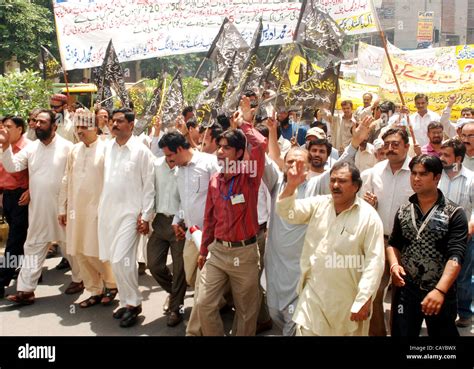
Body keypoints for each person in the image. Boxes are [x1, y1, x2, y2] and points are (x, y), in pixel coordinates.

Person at [262, 115, 372, 335]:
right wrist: (266, 129)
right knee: (275, 314)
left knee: (295, 325)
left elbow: (340, 167)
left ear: (307, 168)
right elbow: (264, 157)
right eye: (290, 162)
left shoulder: (316, 186)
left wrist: (355, 142)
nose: (294, 166)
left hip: (300, 273)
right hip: (274, 270)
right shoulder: (276, 183)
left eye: (300, 162)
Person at [276, 160, 385, 336]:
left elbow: (375, 262)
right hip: (313, 298)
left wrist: (364, 299)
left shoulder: (369, 218)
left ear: (356, 186)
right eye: (332, 180)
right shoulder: (319, 204)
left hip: (347, 304)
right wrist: (291, 186)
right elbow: (288, 212)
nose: (335, 185)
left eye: (341, 181)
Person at [196, 97, 267, 336]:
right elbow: (210, 219)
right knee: (204, 303)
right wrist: (204, 250)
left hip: (244, 254)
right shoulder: (216, 179)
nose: (220, 152)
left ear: (238, 153)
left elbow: (259, 146)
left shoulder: (249, 176)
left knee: (246, 312)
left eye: (227, 148)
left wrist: (246, 124)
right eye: (219, 147)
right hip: (217, 252)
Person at [0, 110, 78, 304]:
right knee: (33, 245)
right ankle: (26, 291)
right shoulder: (32, 148)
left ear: (54, 126)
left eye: (42, 122)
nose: (36, 125)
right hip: (39, 209)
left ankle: (79, 279)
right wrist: (5, 145)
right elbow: (13, 167)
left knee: (70, 247)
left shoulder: (68, 148)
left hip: (63, 209)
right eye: (35, 122)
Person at [387, 155, 468, 336]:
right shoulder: (403, 211)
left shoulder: (454, 213)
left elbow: (456, 255)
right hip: (406, 290)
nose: (416, 178)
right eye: (413, 173)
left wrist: (440, 290)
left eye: (423, 174)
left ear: (437, 177)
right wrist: (394, 265)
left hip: (440, 291)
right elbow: (393, 243)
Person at [158, 130, 220, 336]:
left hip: (211, 236)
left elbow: (221, 198)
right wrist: (178, 220)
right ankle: (219, 299)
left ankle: (194, 331)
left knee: (202, 290)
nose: (168, 160)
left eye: (169, 155)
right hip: (191, 235)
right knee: (190, 276)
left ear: (180, 149)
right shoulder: (179, 171)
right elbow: (185, 202)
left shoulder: (210, 163)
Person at [98, 108, 155, 328]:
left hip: (132, 214)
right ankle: (125, 301)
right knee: (115, 260)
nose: (114, 124)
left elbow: (149, 186)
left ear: (131, 125)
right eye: (113, 121)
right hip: (108, 213)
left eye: (120, 121)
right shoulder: (108, 148)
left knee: (123, 259)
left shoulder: (142, 152)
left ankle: (134, 304)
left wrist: (146, 215)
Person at [58, 110, 118, 309]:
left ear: (96, 128)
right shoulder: (74, 150)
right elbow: (66, 179)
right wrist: (62, 208)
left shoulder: (107, 148)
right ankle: (93, 289)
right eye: (77, 127)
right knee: (79, 251)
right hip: (76, 211)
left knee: (96, 250)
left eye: (84, 127)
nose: (80, 131)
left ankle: (111, 285)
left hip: (97, 210)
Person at [360, 128, 413, 336]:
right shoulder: (375, 172)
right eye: (387, 144)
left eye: (396, 144)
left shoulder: (417, 171)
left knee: (403, 297)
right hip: (379, 242)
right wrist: (369, 205)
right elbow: (363, 206)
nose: (390, 148)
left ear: (406, 147)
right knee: (373, 292)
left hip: (408, 244)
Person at [147, 140, 186, 327]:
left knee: (179, 269)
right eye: (166, 154)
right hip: (161, 221)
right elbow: (149, 192)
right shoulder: (155, 165)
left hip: (180, 224)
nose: (169, 158)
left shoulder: (186, 168)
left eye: (171, 154)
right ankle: (175, 293)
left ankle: (176, 308)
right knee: (153, 264)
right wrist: (146, 217)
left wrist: (183, 220)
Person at [439, 139, 474, 328]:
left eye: (446, 155)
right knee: (439, 275)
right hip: (438, 236)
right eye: (441, 154)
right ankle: (441, 311)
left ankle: (465, 313)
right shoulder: (436, 176)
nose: (441, 158)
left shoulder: (471, 179)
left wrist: (471, 225)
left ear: (458, 159)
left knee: (462, 278)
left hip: (464, 237)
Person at [0, 116, 30, 298]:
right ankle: (30, 272)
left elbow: (37, 173)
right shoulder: (3, 146)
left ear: (20, 129)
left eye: (8, 127)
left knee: (14, 241)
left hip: (22, 197)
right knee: (20, 239)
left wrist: (30, 190)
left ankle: (3, 279)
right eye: (3, 127)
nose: (4, 130)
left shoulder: (28, 148)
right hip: (7, 197)